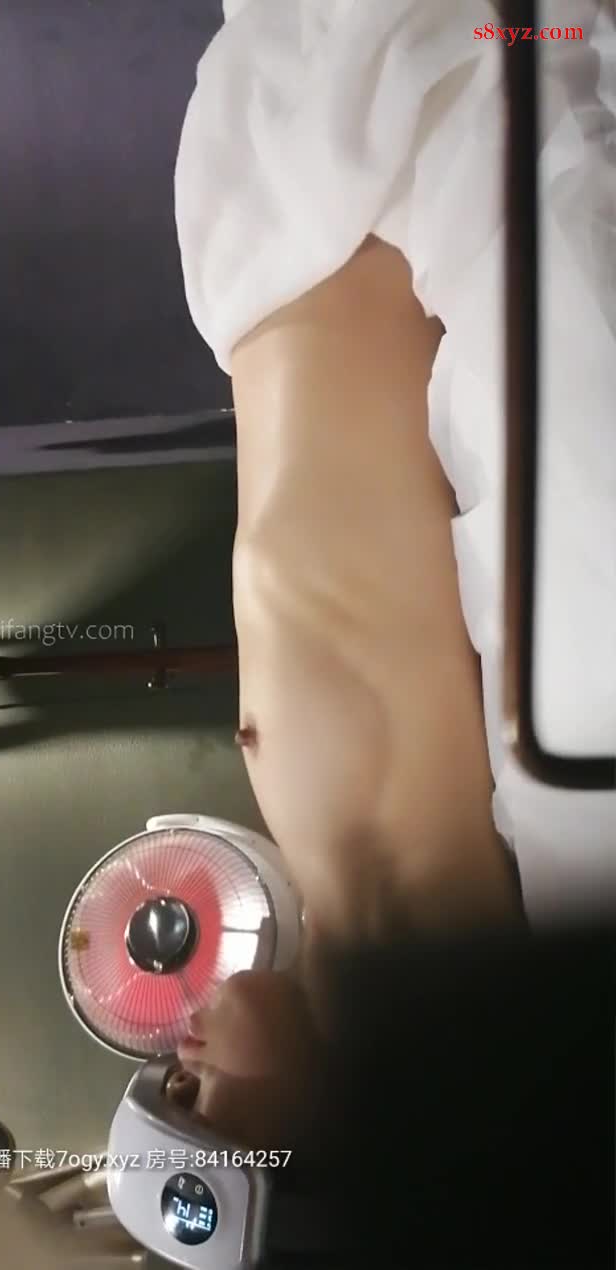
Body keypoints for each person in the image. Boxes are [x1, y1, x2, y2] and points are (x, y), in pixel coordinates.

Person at [164, 0, 616, 1153]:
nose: (181, 1065)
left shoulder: (342, 920)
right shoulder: (457, 959)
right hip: (369, 218)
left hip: (290, 250)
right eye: (205, 1110)